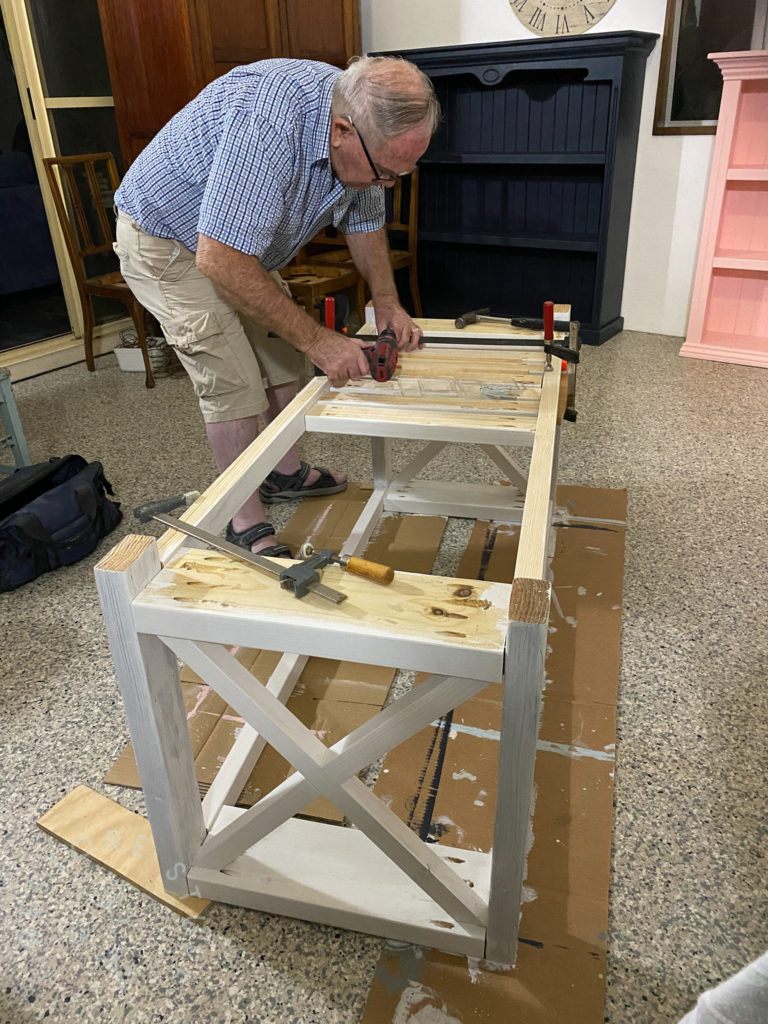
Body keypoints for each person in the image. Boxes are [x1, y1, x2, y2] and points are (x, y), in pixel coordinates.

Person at [113, 55, 439, 556]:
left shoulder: (362, 140)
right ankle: (242, 519)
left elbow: (365, 216)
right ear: (340, 131)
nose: (386, 184)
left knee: (284, 361)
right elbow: (219, 259)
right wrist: (319, 339)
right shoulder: (269, 124)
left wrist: (388, 303)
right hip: (166, 240)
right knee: (234, 380)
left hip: (233, 244)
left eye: (399, 174)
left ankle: (283, 474)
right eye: (385, 173)